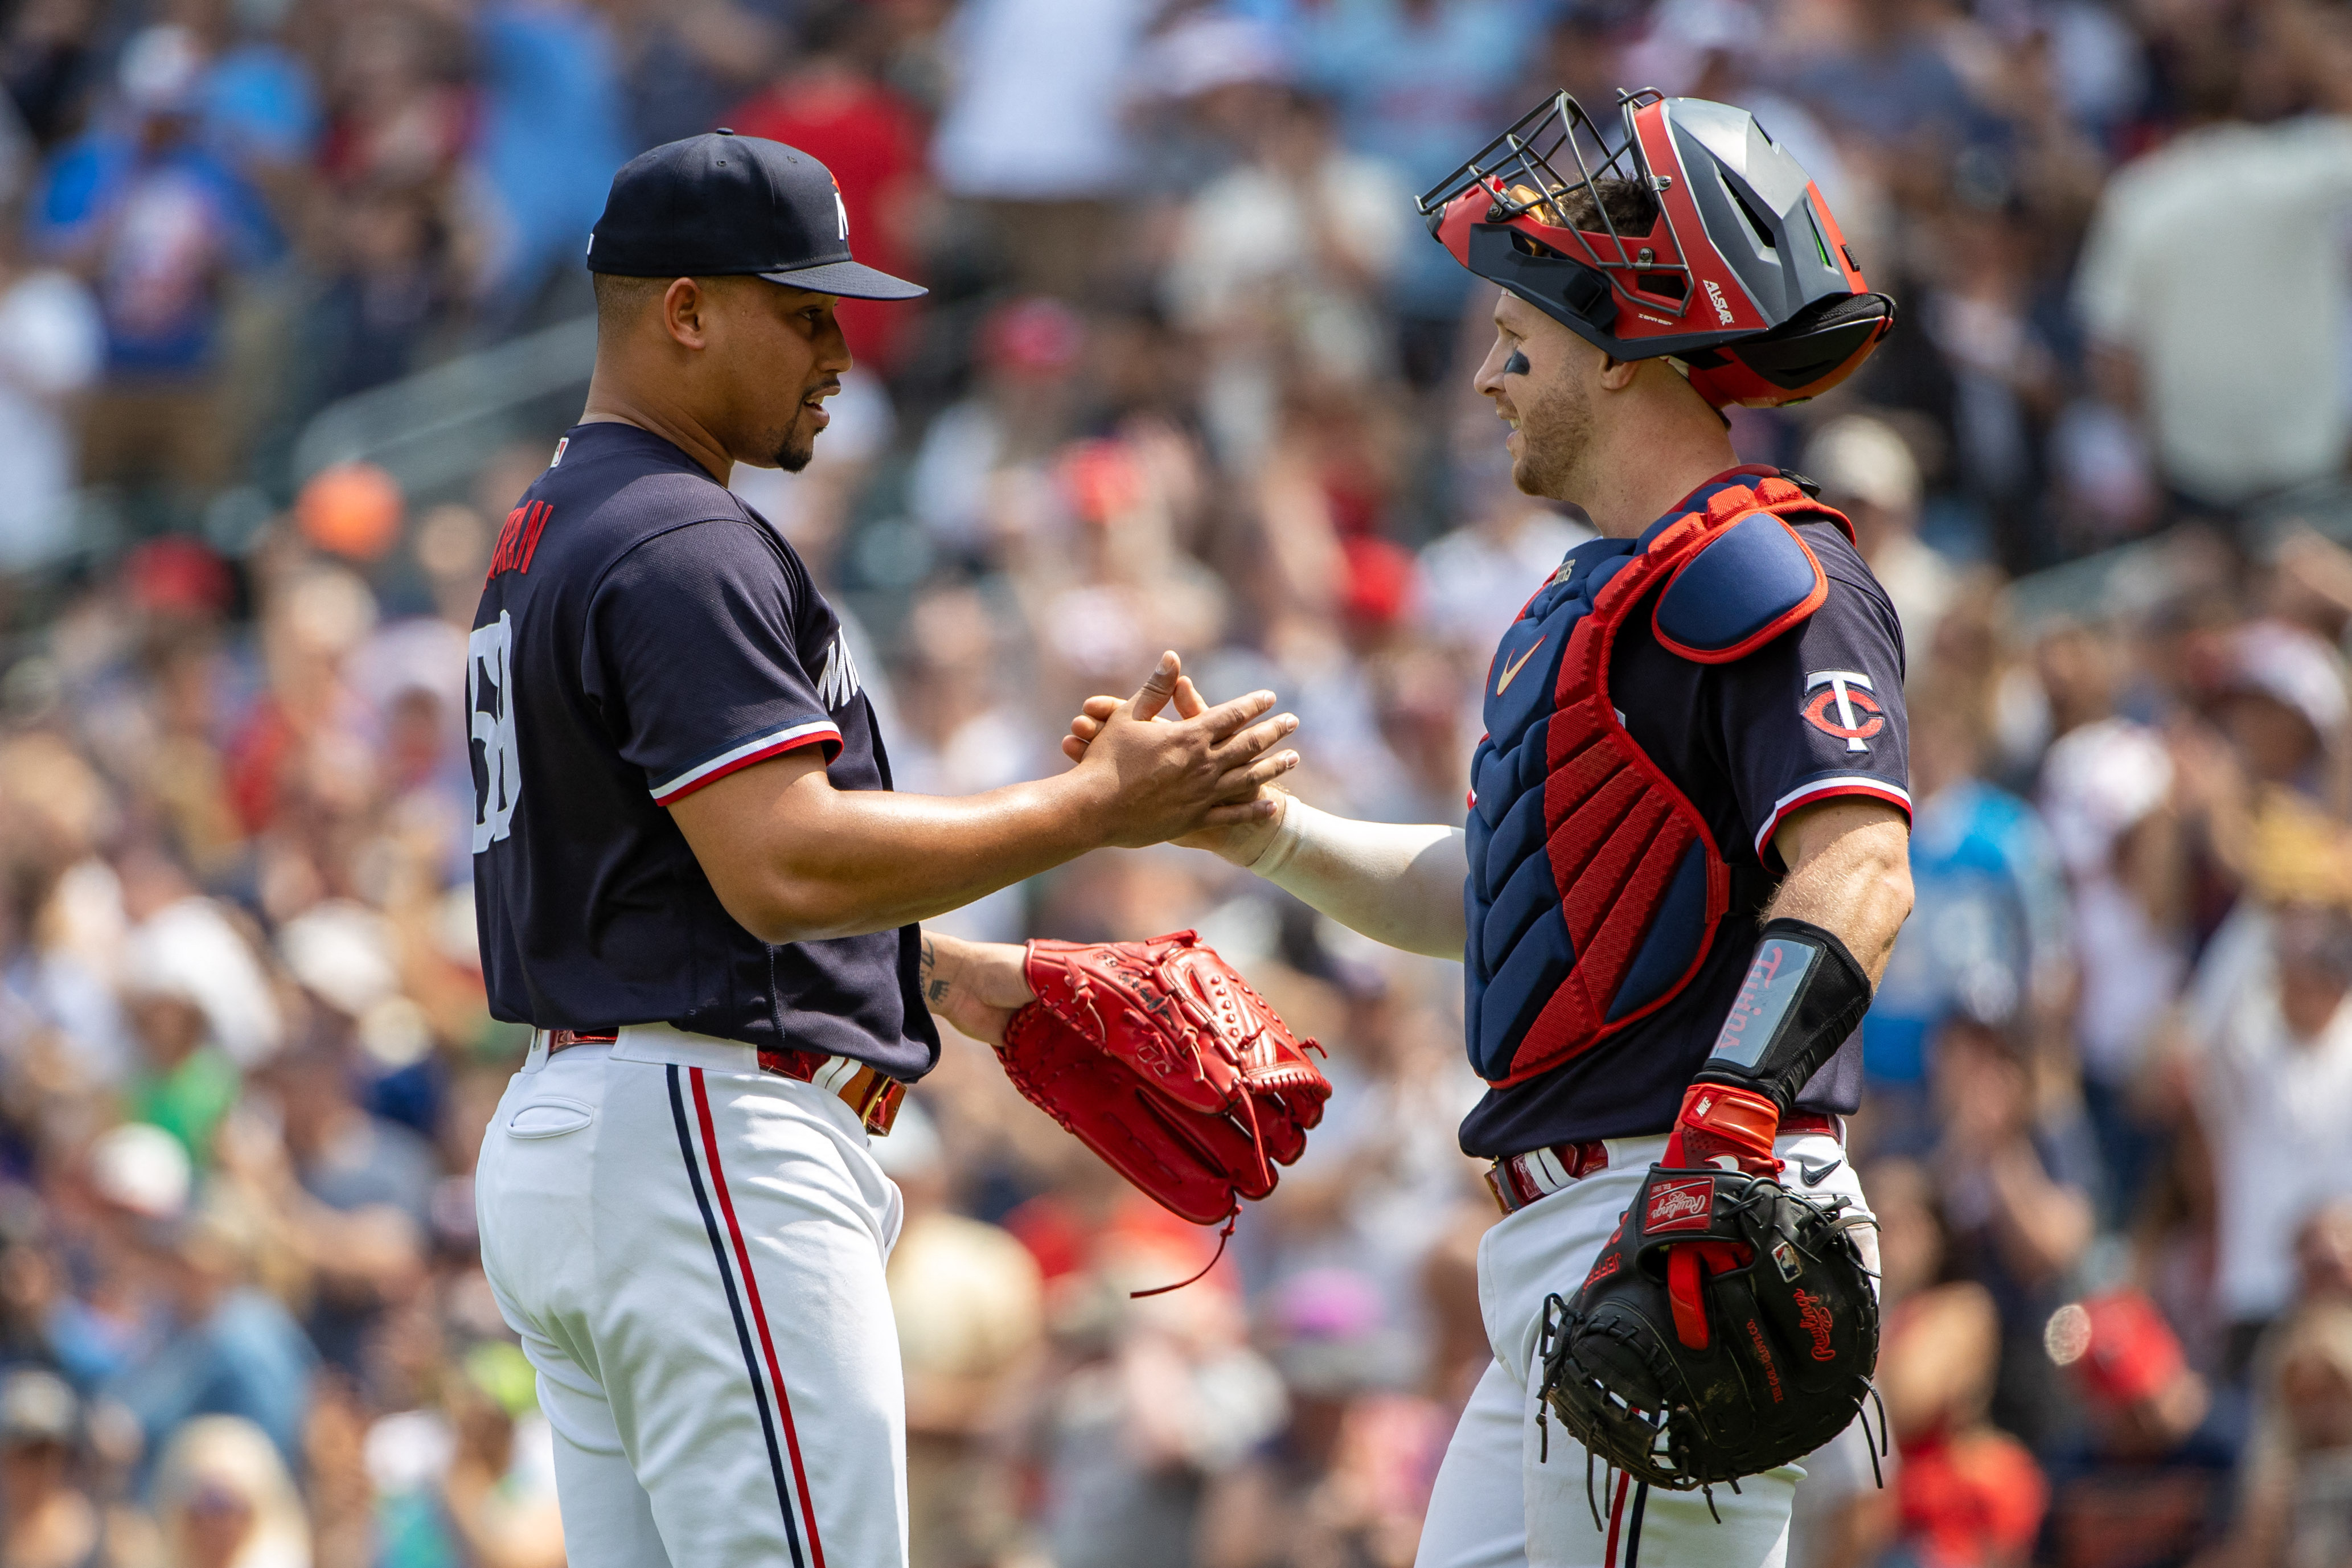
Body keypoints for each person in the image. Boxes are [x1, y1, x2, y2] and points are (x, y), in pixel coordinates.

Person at [1068, 89, 1910, 1568]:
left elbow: (1854, 867)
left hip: (1678, 1202)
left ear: (1617, 341)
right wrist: (1261, 832)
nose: (1486, 376)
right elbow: (1505, 898)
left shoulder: (1768, 569)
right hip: (1575, 1228)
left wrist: (1722, 1130)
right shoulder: (1592, 596)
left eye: (1517, 333)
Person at [465, 131, 1301, 1568]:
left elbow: (668, 879)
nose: (840, 351)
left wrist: (935, 972)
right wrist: (1100, 806)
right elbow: (779, 863)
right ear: (684, 311)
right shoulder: (679, 538)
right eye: (802, 312)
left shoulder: (560, 528)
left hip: (613, 1127)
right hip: (702, 1139)